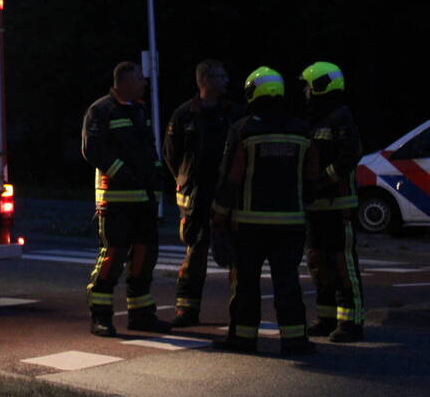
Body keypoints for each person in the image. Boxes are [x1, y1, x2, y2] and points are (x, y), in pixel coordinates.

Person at [212, 67, 319, 355]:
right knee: (288, 281)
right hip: (291, 224)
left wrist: (219, 217)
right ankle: (295, 339)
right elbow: (311, 177)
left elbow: (231, 178)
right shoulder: (301, 129)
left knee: (246, 282)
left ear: (253, 92)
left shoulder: (244, 129)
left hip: (249, 224)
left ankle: (243, 338)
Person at [82, 61, 171, 336]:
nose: (144, 84)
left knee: (145, 258)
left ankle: (141, 315)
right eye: (139, 80)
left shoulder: (139, 109)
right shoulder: (101, 110)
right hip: (116, 200)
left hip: (143, 201)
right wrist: (125, 174)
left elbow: (149, 149)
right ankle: (101, 317)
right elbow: (93, 150)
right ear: (124, 82)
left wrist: (157, 178)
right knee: (113, 256)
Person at [164, 59, 243, 327]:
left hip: (226, 196)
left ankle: (240, 311)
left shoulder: (234, 114)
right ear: (205, 80)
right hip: (196, 198)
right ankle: (187, 310)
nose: (227, 81)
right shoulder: (183, 115)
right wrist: (185, 181)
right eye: (221, 76)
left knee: (236, 255)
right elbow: (171, 155)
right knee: (194, 255)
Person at [300, 61, 365, 343]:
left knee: (342, 264)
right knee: (317, 261)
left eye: (309, 85)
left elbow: (351, 154)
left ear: (321, 86)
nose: (305, 91)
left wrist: (324, 179)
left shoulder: (341, 117)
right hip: (316, 206)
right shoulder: (313, 119)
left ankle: (352, 322)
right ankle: (326, 317)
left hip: (339, 205)